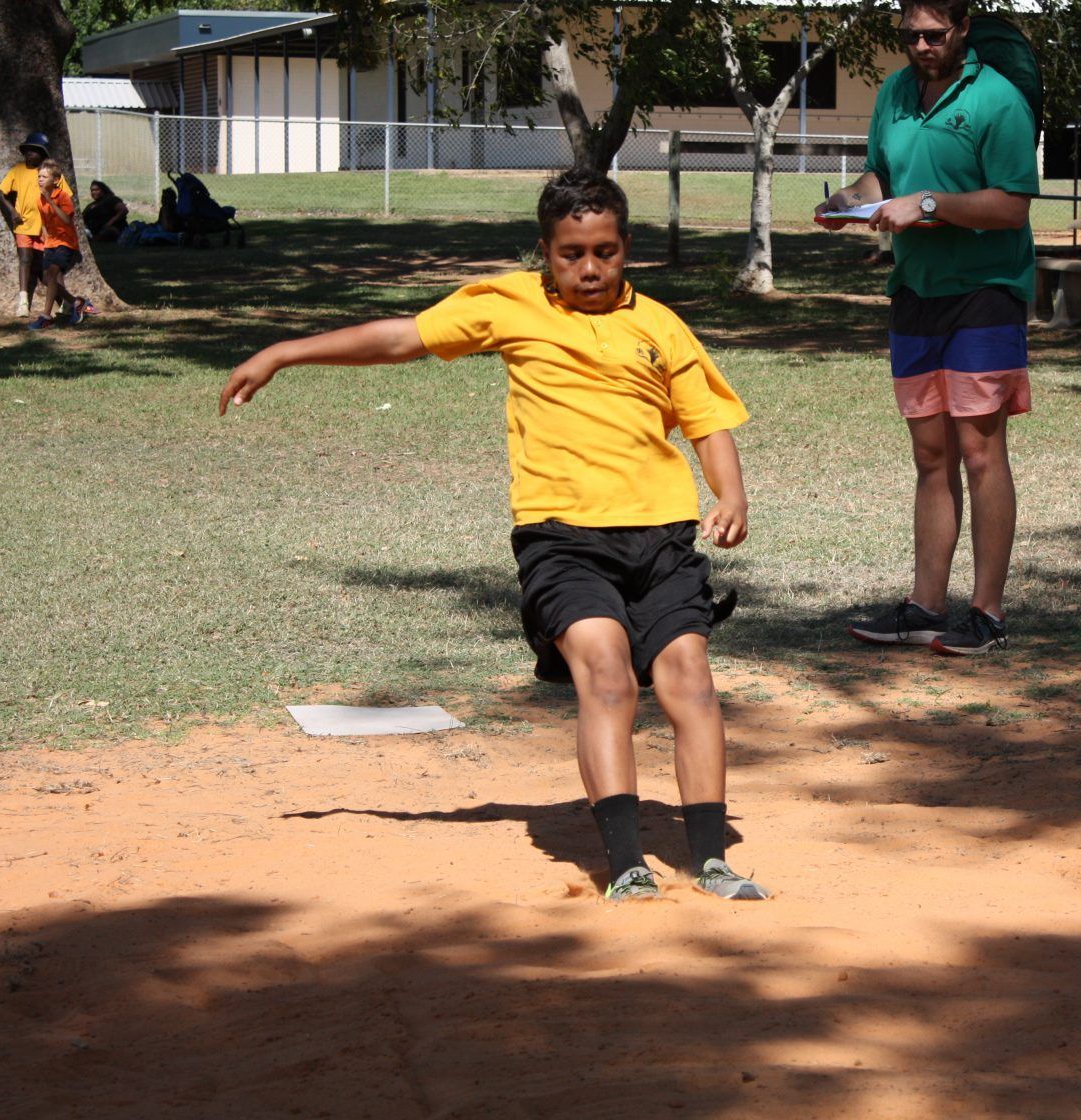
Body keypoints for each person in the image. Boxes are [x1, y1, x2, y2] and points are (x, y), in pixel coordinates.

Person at [219, 169, 769, 903]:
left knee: (690, 681)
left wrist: (730, 496)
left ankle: (711, 859)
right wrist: (285, 351)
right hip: (561, 536)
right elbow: (400, 340)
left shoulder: (660, 324)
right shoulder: (508, 304)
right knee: (604, 673)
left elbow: (706, 421)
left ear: (626, 248)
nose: (589, 268)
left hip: (661, 535)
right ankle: (627, 862)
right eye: (571, 253)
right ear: (545, 251)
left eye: (605, 251)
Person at [817, 0, 1037, 657]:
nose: (921, 45)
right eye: (910, 34)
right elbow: (886, 173)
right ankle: (925, 607)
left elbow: (1011, 203)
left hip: (984, 294)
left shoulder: (999, 100)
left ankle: (987, 614)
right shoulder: (894, 92)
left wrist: (933, 203)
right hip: (914, 290)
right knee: (930, 455)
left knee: (978, 451)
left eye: (934, 34)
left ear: (963, 29)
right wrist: (851, 201)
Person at [0, 132, 68, 319]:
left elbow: (65, 194)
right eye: (27, 151)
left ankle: (64, 302)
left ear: (43, 155)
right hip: (24, 225)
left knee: (49, 268)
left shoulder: (50, 173)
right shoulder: (17, 170)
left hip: (46, 227)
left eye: (35, 151)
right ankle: (23, 301)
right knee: (25, 260)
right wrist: (12, 211)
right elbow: (1, 192)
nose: (30, 154)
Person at [27, 160, 85, 331]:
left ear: (55, 180)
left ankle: (46, 316)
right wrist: (46, 241)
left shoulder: (62, 196)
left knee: (53, 273)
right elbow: (44, 223)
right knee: (46, 278)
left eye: (44, 176)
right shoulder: (39, 200)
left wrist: (51, 201)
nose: (40, 179)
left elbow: (67, 219)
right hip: (51, 243)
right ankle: (76, 302)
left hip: (66, 242)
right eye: (39, 176)